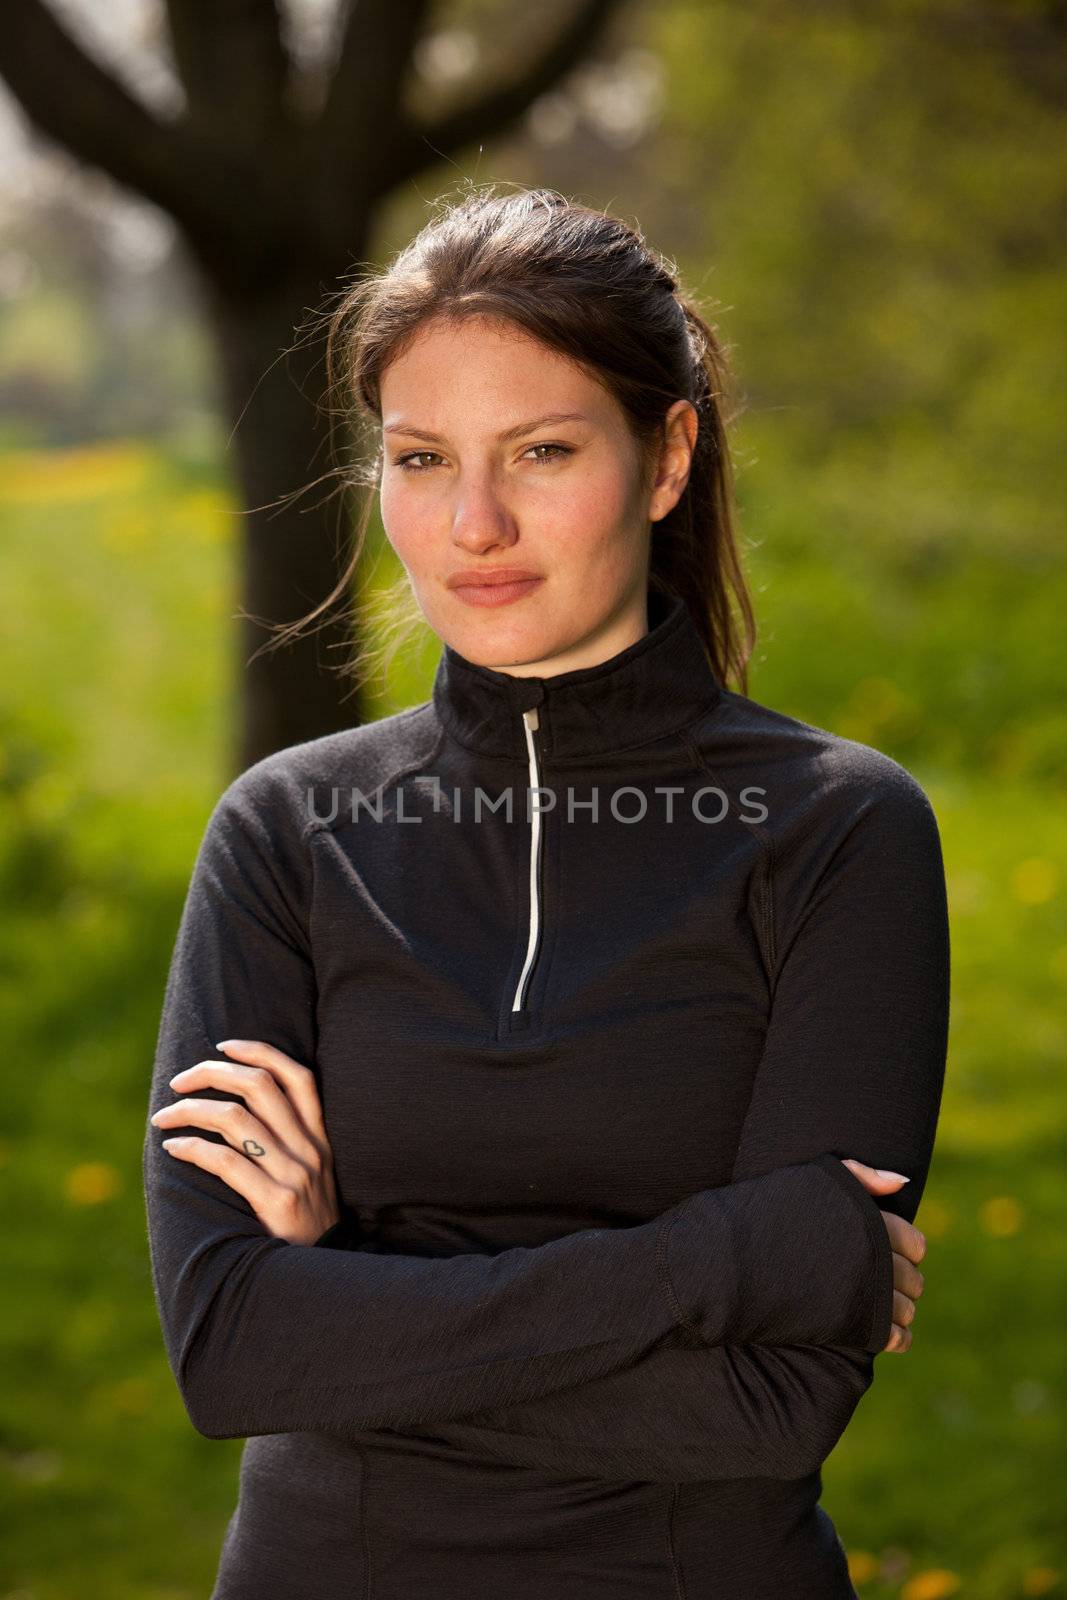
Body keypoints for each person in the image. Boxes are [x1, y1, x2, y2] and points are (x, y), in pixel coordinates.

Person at [143, 185, 949, 1600]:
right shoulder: (286, 833)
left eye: (542, 450)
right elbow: (232, 1347)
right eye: (418, 456)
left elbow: (774, 1408)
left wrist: (351, 1294)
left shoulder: (837, 831)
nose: (473, 524)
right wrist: (735, 1258)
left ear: (666, 455)